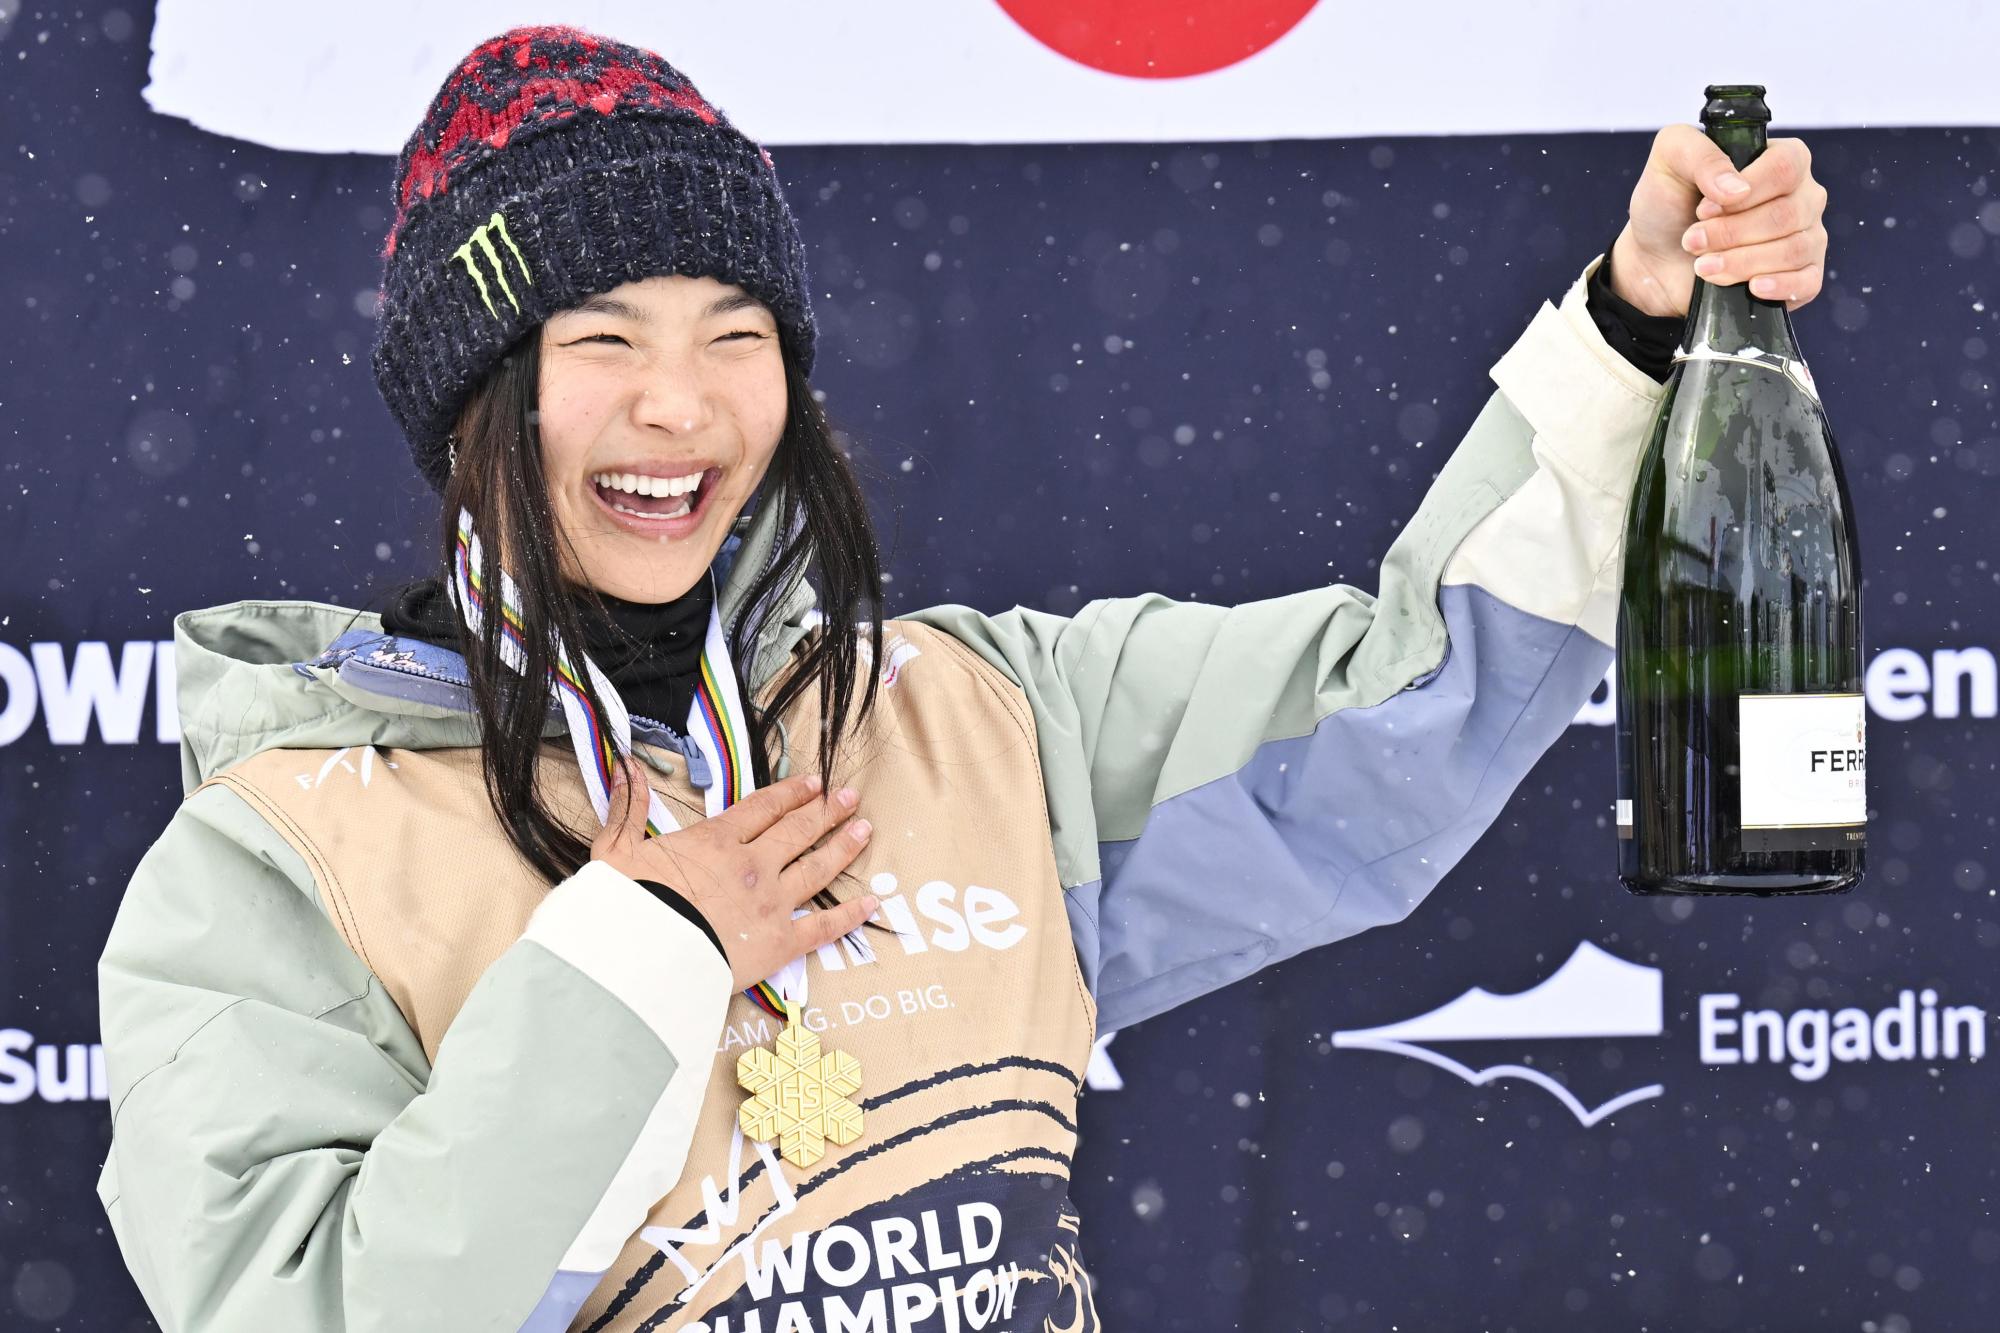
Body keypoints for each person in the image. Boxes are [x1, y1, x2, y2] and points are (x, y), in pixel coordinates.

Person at [93, 24, 1829, 1333]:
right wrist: (639, 959)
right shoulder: (278, 862)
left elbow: (1401, 704)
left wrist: (1635, 325)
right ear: (476, 399)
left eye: (734, 335)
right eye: (600, 340)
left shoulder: (976, 721)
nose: (679, 407)